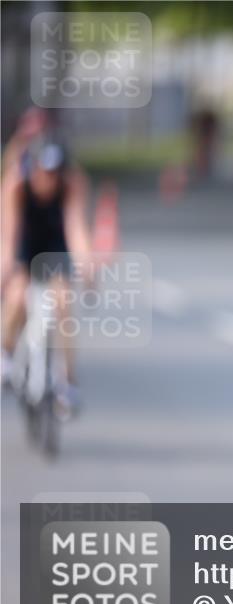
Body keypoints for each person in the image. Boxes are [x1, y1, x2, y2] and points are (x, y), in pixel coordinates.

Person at [1, 134, 92, 412]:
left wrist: (87, 267)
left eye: (54, 173)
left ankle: (67, 381)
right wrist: (5, 274)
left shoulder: (70, 185)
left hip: (54, 245)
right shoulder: (17, 185)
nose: (48, 180)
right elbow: (9, 236)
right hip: (26, 244)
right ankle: (6, 354)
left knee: (63, 301)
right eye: (43, 172)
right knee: (17, 297)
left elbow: (76, 229)